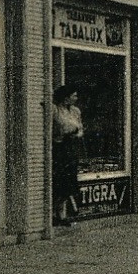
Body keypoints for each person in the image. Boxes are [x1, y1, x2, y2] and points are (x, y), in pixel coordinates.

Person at [51, 85, 84, 225]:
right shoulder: (55, 110)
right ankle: (53, 213)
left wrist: (77, 134)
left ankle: (61, 213)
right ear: (66, 98)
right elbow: (53, 128)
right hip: (59, 147)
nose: (76, 98)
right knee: (59, 181)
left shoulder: (76, 111)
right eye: (73, 96)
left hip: (72, 147)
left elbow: (81, 128)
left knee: (69, 182)